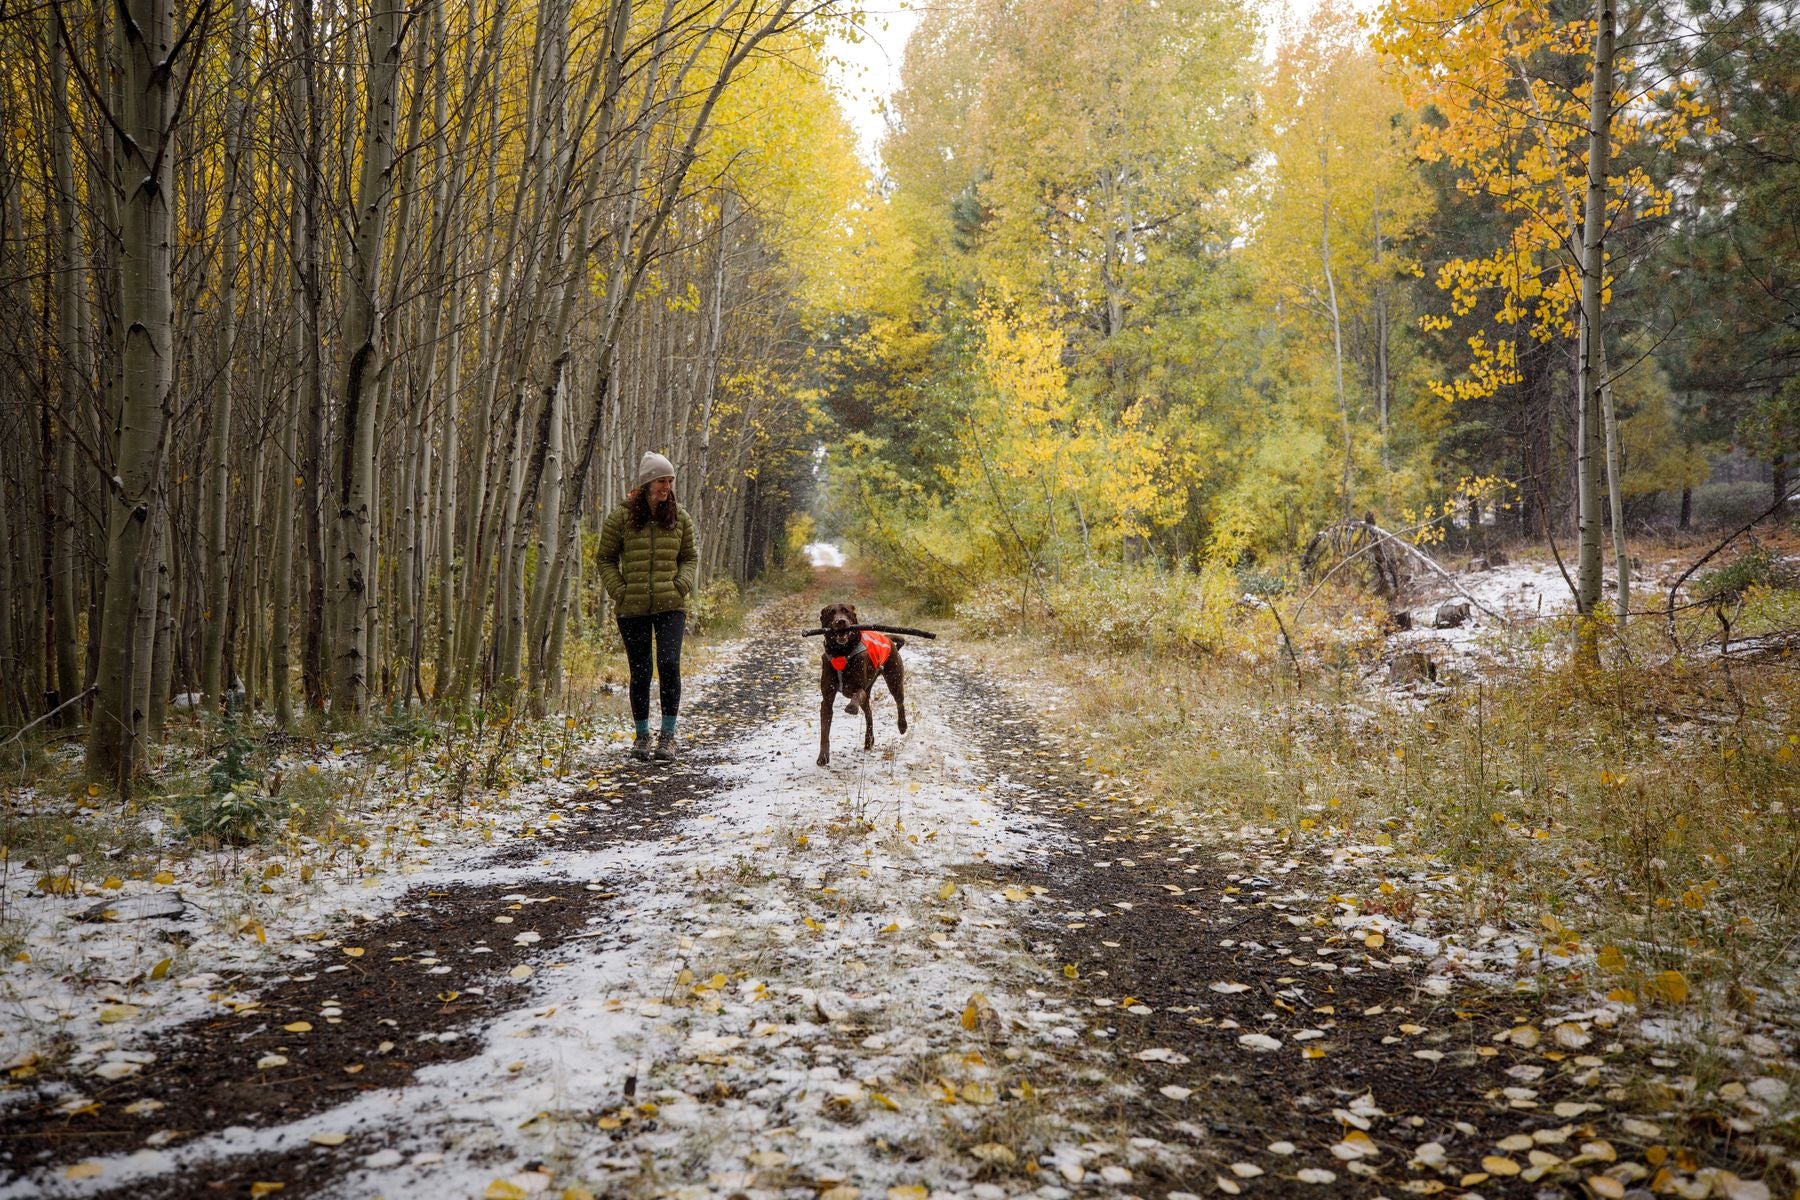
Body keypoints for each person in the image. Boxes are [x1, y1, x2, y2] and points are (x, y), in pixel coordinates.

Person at [596, 452, 698, 760]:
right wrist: (619, 591)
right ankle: (641, 737)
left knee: (668, 664)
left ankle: (668, 737)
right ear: (646, 483)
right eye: (661, 481)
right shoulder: (621, 517)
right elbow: (605, 558)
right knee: (640, 671)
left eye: (669, 481)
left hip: (671, 604)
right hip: (633, 606)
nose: (666, 487)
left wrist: (682, 584)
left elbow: (689, 557)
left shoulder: (680, 517)